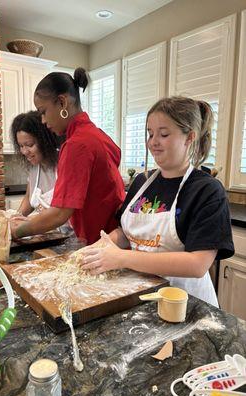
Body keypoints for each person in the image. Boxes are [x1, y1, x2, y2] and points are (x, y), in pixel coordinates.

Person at [80, 96, 234, 306]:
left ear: (190, 137)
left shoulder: (206, 191)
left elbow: (197, 264)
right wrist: (101, 248)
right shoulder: (142, 182)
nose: (153, 142)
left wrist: (121, 258)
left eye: (163, 134)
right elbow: (127, 233)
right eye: (150, 133)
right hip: (141, 293)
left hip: (187, 303)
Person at [10, 68, 125, 244]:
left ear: (62, 102)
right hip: (116, 235)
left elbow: (60, 213)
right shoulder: (97, 134)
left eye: (43, 112)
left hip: (100, 240)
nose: (43, 120)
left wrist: (16, 231)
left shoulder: (76, 144)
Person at [10, 110, 64, 216]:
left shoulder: (63, 164)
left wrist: (26, 225)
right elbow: (28, 199)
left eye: (29, 145)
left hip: (69, 232)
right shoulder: (34, 167)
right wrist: (15, 218)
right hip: (49, 231)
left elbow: (61, 214)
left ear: (45, 141)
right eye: (21, 146)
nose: (25, 151)